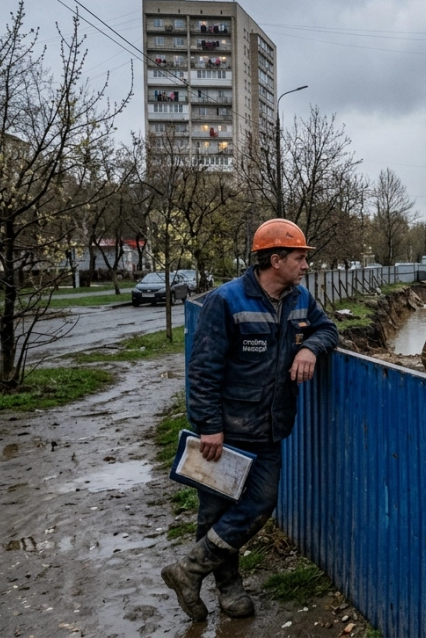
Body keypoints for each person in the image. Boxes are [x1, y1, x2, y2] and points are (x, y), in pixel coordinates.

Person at [162, 218, 338, 621]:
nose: (305, 265)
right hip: (226, 430)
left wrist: (309, 347)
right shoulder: (227, 300)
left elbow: (329, 330)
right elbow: (203, 369)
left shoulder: (300, 299)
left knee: (260, 503)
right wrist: (210, 426)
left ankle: (188, 570)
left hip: (271, 427)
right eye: (299, 258)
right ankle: (229, 590)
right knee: (214, 514)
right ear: (275, 260)